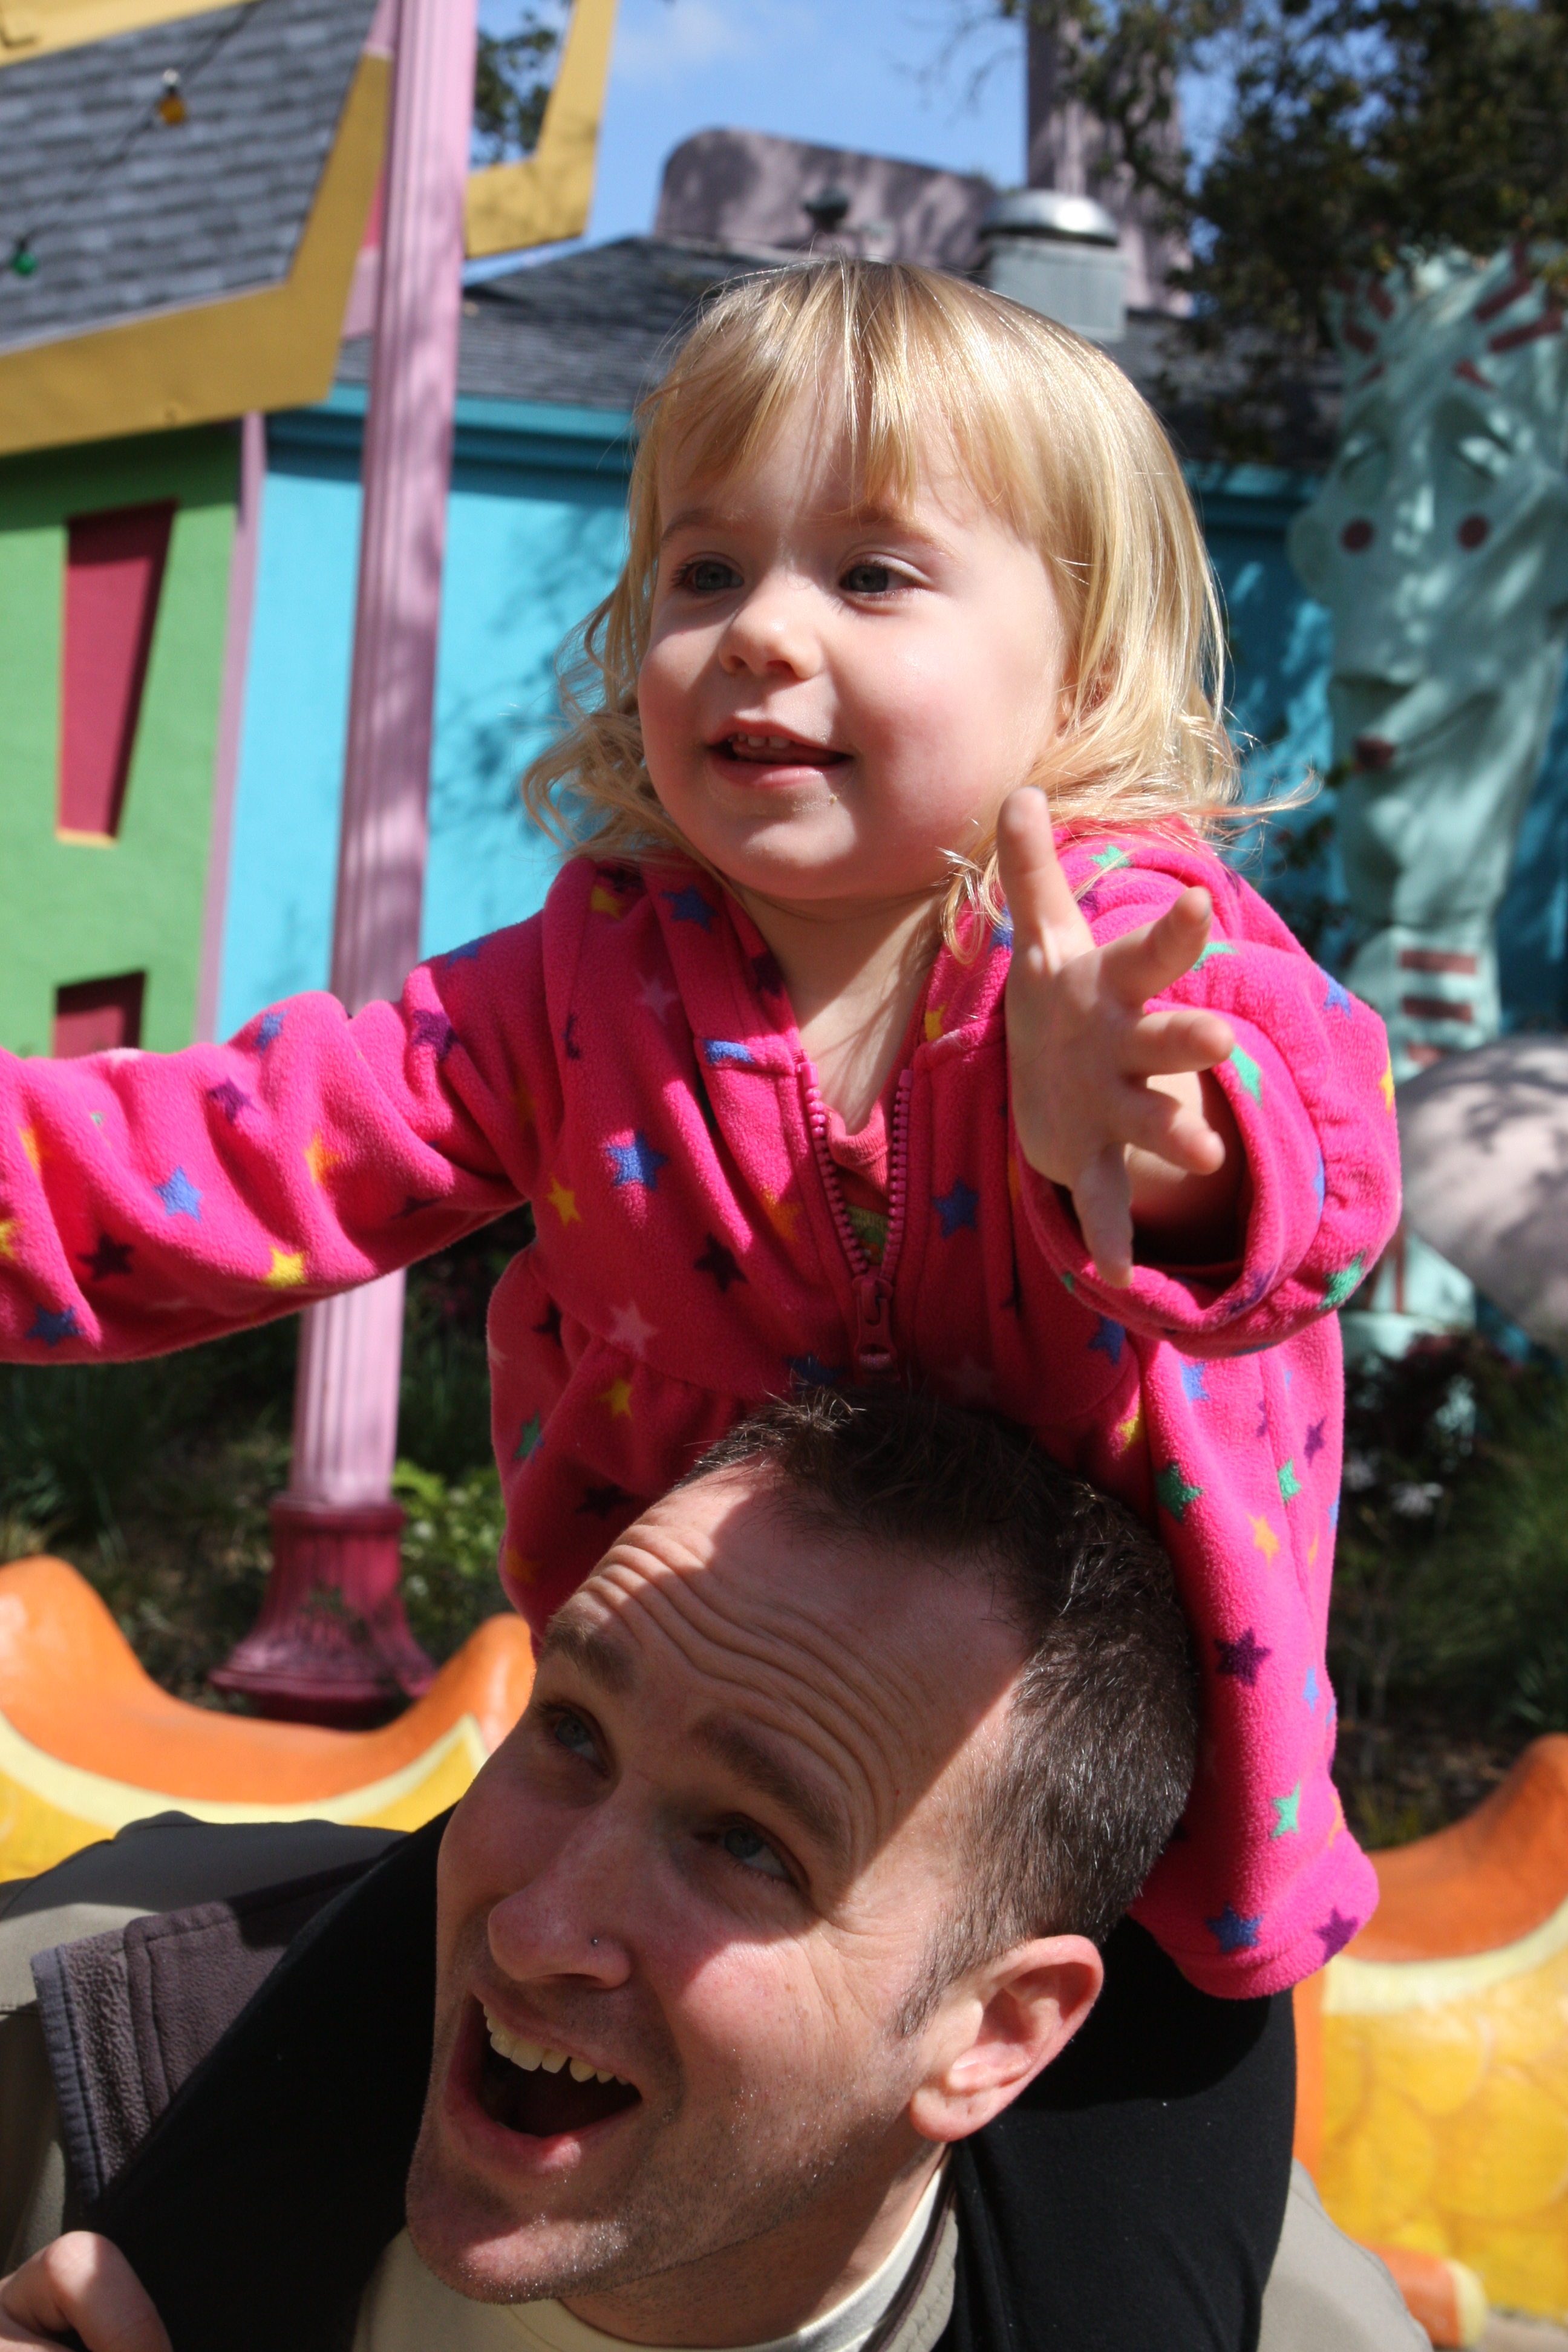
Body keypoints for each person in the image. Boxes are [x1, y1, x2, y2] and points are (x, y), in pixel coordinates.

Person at [0, 260, 1402, 2335]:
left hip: (1129, 1837)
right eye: (705, 565)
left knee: (1146, 2240)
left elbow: (1317, 1157)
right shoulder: (583, 986)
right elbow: (231, 1151)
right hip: (676, 1762)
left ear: (1083, 662)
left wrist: (1165, 1137)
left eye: (874, 572)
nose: (761, 627)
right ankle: (145, 2291)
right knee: (390, 1995)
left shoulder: (1115, 951)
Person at [0, 1397, 1421, 2352]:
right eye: (573, 1732)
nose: (538, 1926)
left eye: (748, 1845)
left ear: (995, 2031)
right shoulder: (58, 2037)